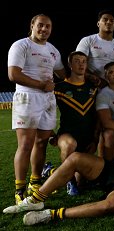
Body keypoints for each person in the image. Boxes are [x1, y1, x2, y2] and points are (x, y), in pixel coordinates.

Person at [7, 13, 66, 205]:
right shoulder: (21, 45)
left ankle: (35, 182)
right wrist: (41, 85)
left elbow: (62, 73)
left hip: (48, 99)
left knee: (41, 143)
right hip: (27, 97)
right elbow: (13, 74)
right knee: (25, 145)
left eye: (48, 26)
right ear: (32, 25)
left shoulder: (53, 50)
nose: (44, 29)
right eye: (40, 25)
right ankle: (19, 190)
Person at [45, 51, 100, 196]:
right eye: (77, 61)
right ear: (69, 65)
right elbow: (44, 110)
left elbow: (97, 116)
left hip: (87, 138)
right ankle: (70, 182)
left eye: (84, 61)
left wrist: (95, 139)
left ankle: (50, 170)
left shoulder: (93, 88)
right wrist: (51, 133)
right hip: (67, 135)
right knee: (69, 145)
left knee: (84, 180)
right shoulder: (59, 88)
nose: (81, 64)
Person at [76, 9, 114, 87]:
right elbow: (78, 63)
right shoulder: (87, 40)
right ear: (98, 24)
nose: (109, 22)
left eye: (112, 21)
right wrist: (95, 79)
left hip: (111, 87)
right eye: (105, 20)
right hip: (89, 85)